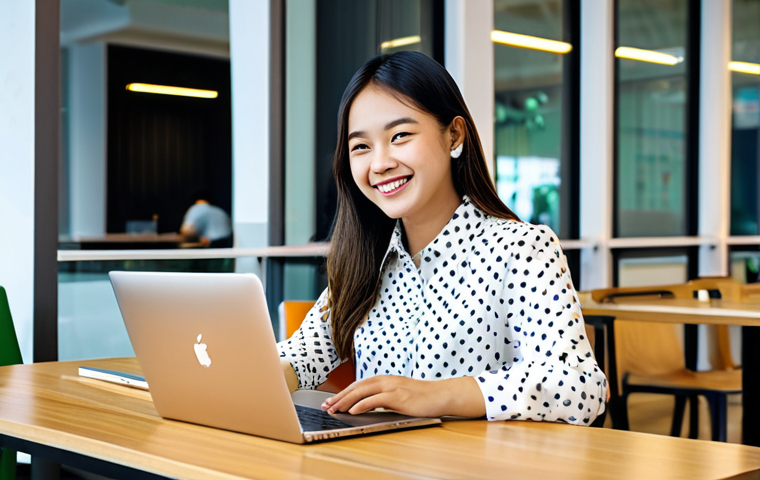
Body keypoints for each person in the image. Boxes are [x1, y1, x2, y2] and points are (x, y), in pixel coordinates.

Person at [277, 51, 607, 425]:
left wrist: (437, 394)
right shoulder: (365, 259)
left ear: (454, 135)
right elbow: (301, 355)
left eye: (399, 136)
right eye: (361, 147)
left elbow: (581, 388)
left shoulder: (521, 248)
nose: (379, 162)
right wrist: (257, 375)